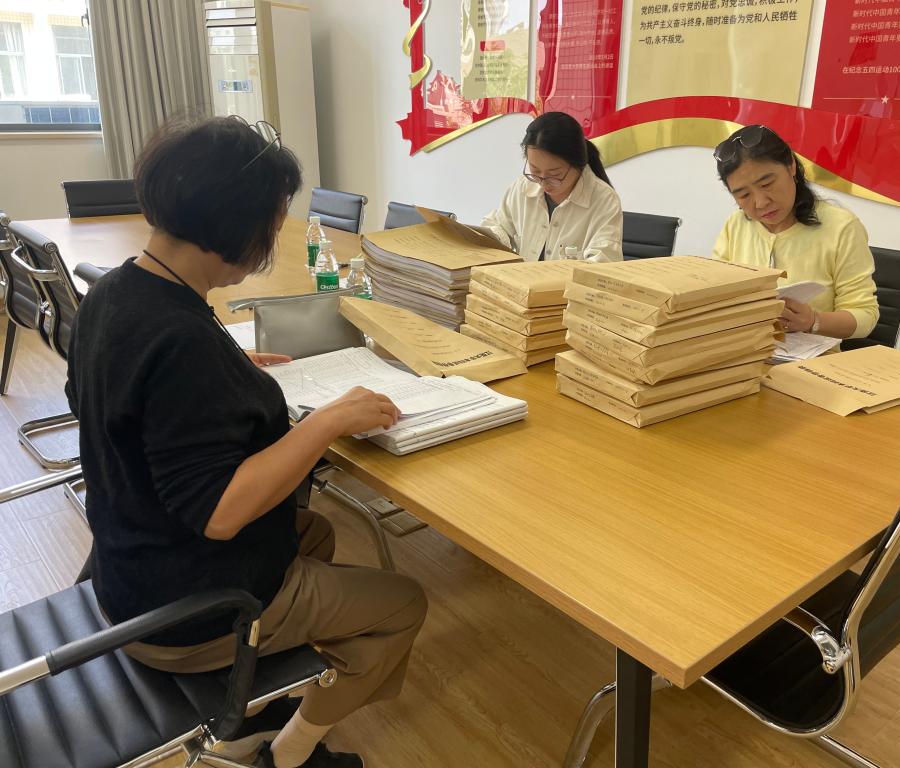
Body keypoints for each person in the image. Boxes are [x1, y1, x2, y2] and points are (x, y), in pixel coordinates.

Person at [65, 116, 427, 768]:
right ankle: (285, 754)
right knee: (403, 604)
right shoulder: (182, 342)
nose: (271, 240)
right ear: (233, 226)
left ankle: (257, 694)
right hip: (180, 611)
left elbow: (109, 403)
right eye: (271, 224)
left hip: (125, 570)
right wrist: (325, 421)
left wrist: (226, 375)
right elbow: (220, 514)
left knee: (315, 533)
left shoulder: (116, 291)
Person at [711, 124, 879, 340]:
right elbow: (715, 292)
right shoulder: (736, 224)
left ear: (791, 166)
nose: (761, 203)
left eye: (767, 183)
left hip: (813, 358)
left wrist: (813, 321)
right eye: (744, 195)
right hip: (745, 351)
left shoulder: (841, 227)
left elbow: (865, 315)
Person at [481, 111, 623, 262]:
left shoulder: (604, 200)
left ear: (578, 164)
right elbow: (497, 226)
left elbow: (603, 262)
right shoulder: (522, 187)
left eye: (554, 174)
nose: (543, 182)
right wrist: (493, 238)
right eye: (535, 170)